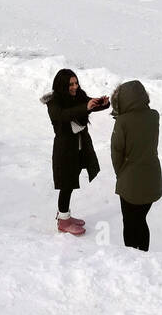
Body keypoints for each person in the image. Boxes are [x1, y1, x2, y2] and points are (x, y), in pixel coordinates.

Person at [40, 68, 110, 235]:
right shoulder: (54, 103)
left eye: (76, 82)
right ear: (62, 85)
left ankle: (65, 215)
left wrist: (102, 103)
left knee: (70, 183)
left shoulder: (78, 96)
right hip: (65, 150)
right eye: (71, 84)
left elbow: (88, 105)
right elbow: (64, 115)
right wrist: (86, 106)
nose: (75, 86)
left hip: (79, 148)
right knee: (66, 184)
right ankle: (63, 221)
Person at [109, 80, 161, 251]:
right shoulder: (154, 116)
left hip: (130, 183)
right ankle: (144, 255)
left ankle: (132, 258)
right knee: (141, 220)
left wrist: (121, 175)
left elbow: (116, 152)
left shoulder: (122, 122)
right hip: (153, 179)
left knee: (130, 223)